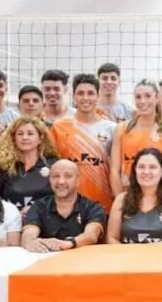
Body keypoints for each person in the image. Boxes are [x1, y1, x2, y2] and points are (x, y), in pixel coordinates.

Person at [49, 74, 117, 213]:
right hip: (68, 205)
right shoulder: (59, 127)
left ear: (98, 96)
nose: (85, 98)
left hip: (103, 204)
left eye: (91, 93)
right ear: (73, 96)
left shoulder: (112, 128)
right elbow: (52, 166)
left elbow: (117, 169)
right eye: (80, 93)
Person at [110, 79, 162, 196]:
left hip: (158, 197)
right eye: (138, 97)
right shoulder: (121, 129)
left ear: (157, 98)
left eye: (148, 96)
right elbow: (114, 170)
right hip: (129, 195)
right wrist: (120, 200)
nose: (142, 101)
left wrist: (158, 200)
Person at [21, 159, 106, 252]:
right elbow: (29, 231)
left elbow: (91, 235)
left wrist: (69, 243)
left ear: (78, 180)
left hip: (84, 262)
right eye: (56, 176)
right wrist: (29, 241)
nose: (61, 181)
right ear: (49, 180)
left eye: (68, 176)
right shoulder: (39, 206)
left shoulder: (92, 207)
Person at [107, 148, 162, 244]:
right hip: (128, 257)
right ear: (135, 170)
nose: (146, 172)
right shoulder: (121, 200)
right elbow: (111, 238)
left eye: (152, 167)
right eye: (141, 167)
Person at [0, 115, 59, 212]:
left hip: (46, 223)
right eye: (20, 134)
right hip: (13, 224)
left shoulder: (54, 165)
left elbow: (64, 197)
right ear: (14, 138)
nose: (24, 137)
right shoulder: (3, 166)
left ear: (40, 138)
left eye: (30, 133)